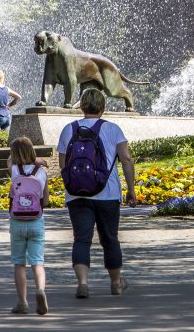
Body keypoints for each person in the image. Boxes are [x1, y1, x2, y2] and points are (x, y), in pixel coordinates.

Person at [58, 89, 137, 299]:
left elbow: (63, 165)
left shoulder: (69, 129)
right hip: (108, 194)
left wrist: (73, 187)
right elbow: (126, 160)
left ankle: (83, 283)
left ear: (82, 106)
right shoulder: (113, 129)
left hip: (76, 196)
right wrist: (131, 190)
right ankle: (115, 283)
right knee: (110, 239)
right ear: (103, 107)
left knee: (81, 239)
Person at [7, 136, 49, 315]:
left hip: (17, 221)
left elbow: (9, 160)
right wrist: (37, 161)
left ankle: (22, 302)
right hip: (36, 221)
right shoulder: (41, 172)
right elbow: (45, 201)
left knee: (19, 263)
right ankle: (40, 290)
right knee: (37, 262)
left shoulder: (15, 170)